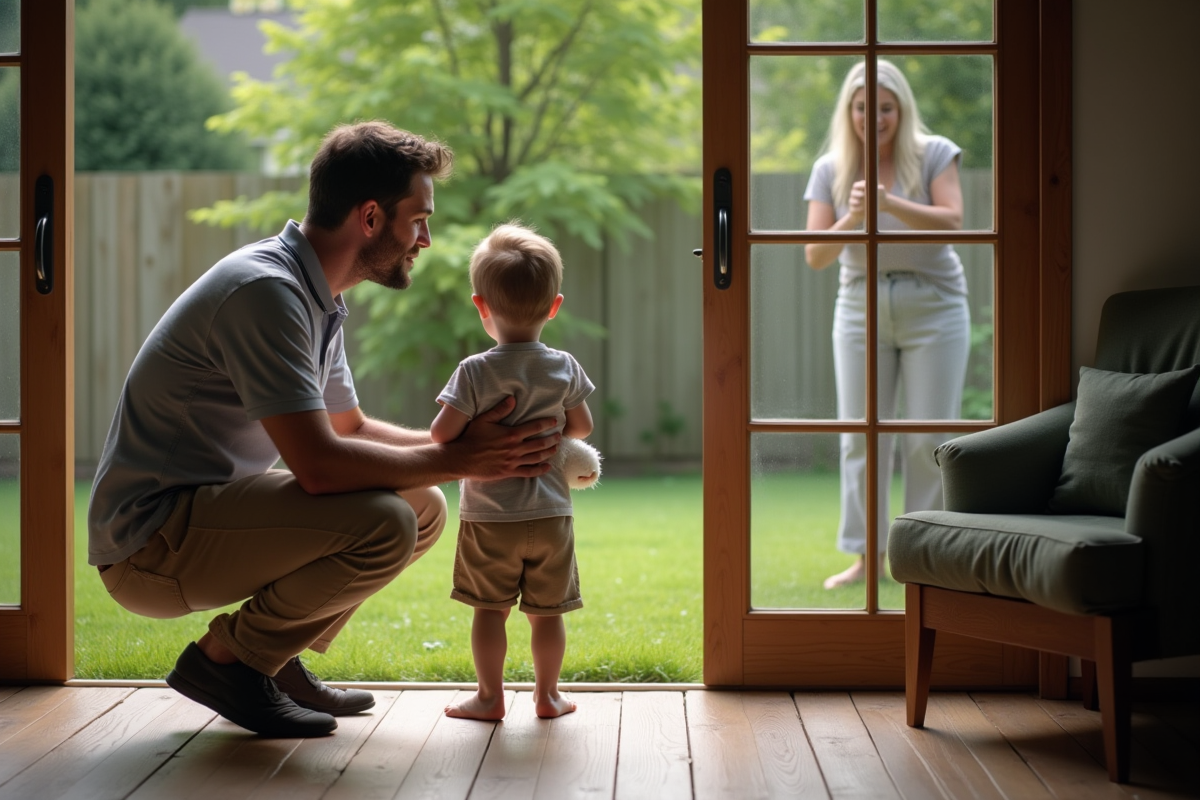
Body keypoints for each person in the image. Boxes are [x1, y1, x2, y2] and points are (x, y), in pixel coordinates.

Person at [87, 122, 562, 738]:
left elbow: (351, 427)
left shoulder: (314, 295)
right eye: (418, 219)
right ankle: (227, 661)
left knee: (422, 505)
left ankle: (273, 661)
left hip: (198, 518)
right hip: (149, 542)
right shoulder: (268, 293)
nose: (426, 237)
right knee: (387, 522)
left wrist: (476, 445)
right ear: (370, 217)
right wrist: (470, 459)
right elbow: (320, 466)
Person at [803, 60, 971, 590]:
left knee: (927, 437)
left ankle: (922, 556)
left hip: (936, 305)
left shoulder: (935, 153)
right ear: (847, 110)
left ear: (900, 109)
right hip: (858, 305)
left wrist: (888, 201)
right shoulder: (829, 168)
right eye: (862, 107)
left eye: (885, 107)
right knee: (859, 436)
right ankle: (865, 558)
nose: (873, 117)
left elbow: (954, 221)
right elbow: (815, 255)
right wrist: (853, 215)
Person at [429, 223, 595, 721]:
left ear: (481, 306)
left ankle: (488, 697)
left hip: (488, 518)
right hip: (549, 514)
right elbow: (582, 427)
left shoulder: (475, 371)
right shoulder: (564, 365)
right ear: (554, 305)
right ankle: (547, 697)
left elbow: (441, 436)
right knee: (548, 615)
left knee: (489, 610)